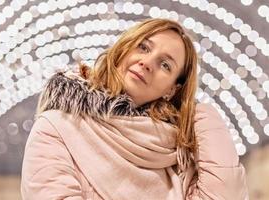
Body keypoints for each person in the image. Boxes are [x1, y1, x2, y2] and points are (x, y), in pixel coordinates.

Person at [20, 18, 249, 199]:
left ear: (171, 90)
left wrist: (201, 113)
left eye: (165, 65)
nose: (147, 63)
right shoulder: (56, 128)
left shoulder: (177, 154)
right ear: (124, 49)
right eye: (143, 47)